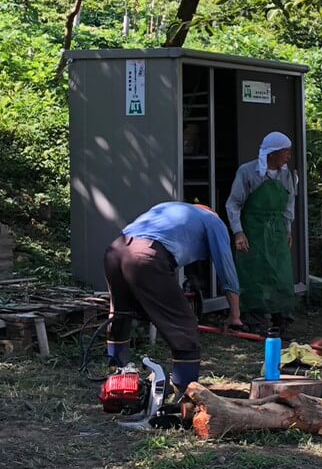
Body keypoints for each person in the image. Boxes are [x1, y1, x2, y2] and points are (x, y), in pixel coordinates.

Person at [103, 201, 244, 397]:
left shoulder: (170, 209)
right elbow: (226, 269)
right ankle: (185, 391)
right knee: (184, 324)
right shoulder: (213, 222)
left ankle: (116, 376)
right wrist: (235, 315)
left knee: (120, 314)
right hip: (145, 256)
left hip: (115, 251)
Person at [225, 131, 297, 335]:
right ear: (272, 153)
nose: (288, 156)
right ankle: (254, 320)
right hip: (253, 230)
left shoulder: (286, 174)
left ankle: (281, 318)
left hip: (277, 230)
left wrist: (287, 229)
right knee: (254, 274)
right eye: (285, 152)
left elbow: (289, 203)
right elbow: (233, 204)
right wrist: (238, 232)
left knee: (281, 273)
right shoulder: (247, 172)